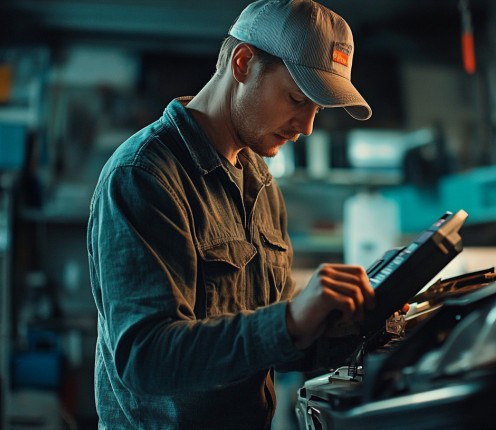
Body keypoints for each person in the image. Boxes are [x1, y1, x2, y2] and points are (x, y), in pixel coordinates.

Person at [87, 0, 375, 428]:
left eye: (318, 109)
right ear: (243, 63)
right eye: (297, 98)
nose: (307, 126)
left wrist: (360, 321)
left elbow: (273, 346)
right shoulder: (145, 175)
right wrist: (291, 319)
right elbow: (146, 359)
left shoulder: (260, 183)